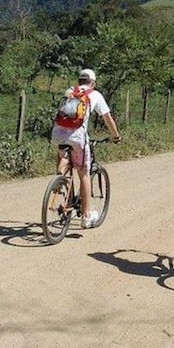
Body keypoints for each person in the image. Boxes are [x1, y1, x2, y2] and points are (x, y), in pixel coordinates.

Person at [51, 68, 122, 228]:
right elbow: (107, 118)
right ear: (93, 83)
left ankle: (60, 183)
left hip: (58, 134)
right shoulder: (95, 94)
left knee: (64, 160)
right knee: (83, 173)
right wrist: (116, 136)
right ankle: (86, 216)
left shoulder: (70, 91)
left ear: (79, 81)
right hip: (78, 137)